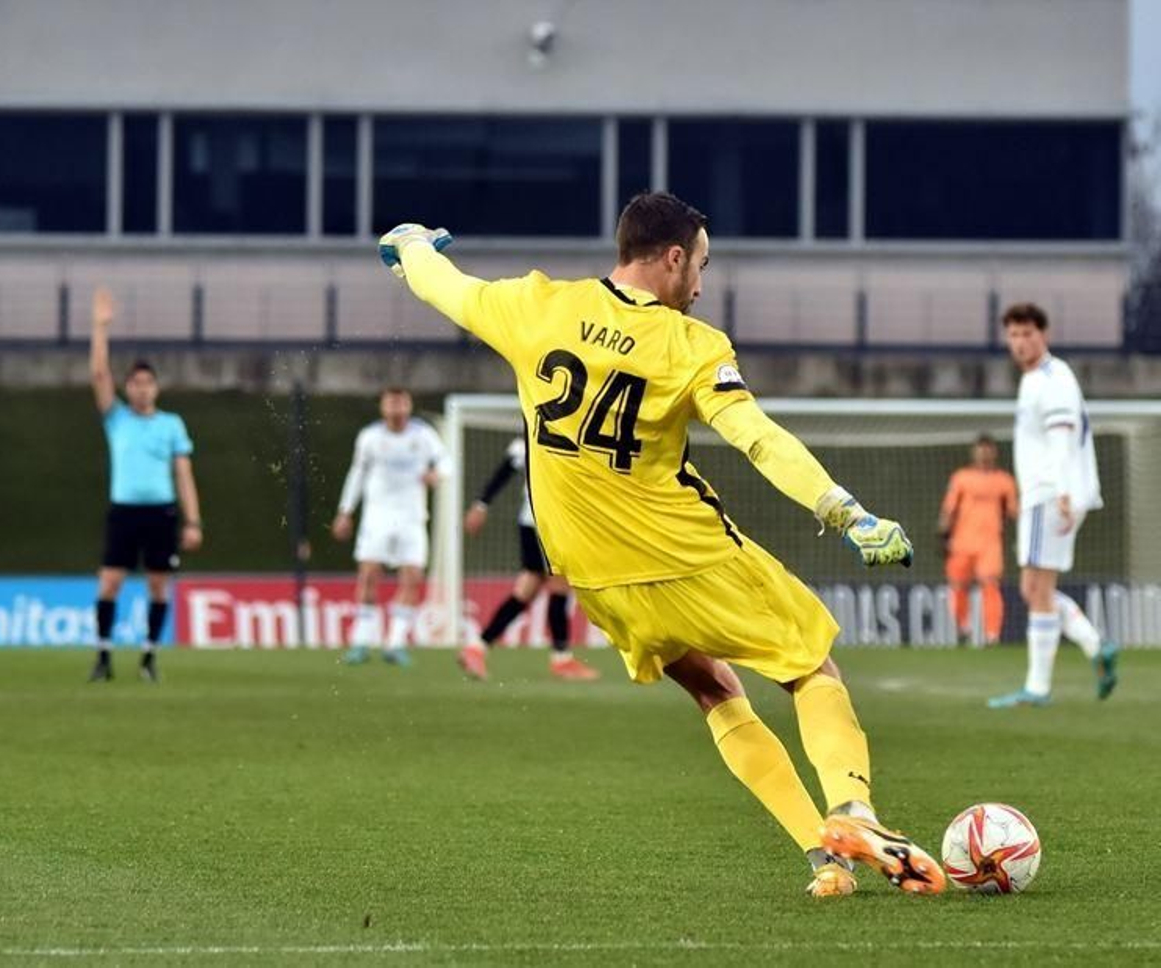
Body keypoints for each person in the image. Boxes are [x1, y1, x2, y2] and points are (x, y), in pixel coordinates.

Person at [380, 191, 945, 897]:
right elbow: (757, 438)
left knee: (713, 688)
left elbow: (446, 289)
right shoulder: (691, 345)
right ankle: (853, 809)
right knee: (811, 665)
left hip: (594, 578)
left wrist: (410, 246)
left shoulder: (537, 305)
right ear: (674, 257)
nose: (702, 286)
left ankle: (824, 861)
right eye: (701, 266)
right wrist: (845, 510)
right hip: (686, 552)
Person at [988, 303, 1118, 708]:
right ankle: (1097, 646)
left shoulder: (1053, 379)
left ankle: (1038, 688)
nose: (1020, 342)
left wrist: (1062, 491)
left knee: (1037, 590)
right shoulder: (1035, 379)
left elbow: (1062, 438)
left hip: (1050, 494)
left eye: (1027, 333)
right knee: (1034, 589)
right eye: (1013, 335)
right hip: (1045, 494)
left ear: (1044, 334)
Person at [89, 287, 202, 683]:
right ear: (128, 388)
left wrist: (193, 521)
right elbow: (99, 374)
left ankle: (149, 657)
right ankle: (103, 656)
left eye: (147, 383)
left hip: (161, 513)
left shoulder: (171, 424)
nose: (141, 388)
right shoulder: (116, 419)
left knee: (158, 586)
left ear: (155, 388)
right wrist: (100, 329)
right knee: (110, 582)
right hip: (124, 512)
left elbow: (183, 473)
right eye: (134, 383)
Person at [459, 437, 598, 682]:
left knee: (527, 590)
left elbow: (504, 472)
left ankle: (477, 647)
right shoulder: (539, 437)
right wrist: (481, 506)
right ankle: (561, 659)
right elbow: (505, 472)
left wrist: (482, 505)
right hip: (543, 524)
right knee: (559, 585)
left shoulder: (553, 435)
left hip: (539, 523)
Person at [331, 388, 447, 667]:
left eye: (401, 402)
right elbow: (356, 473)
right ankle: (361, 642)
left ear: (409, 405)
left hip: (412, 517)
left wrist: (437, 474)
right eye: (391, 403)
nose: (396, 408)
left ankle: (395, 643)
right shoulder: (370, 437)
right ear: (383, 407)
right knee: (369, 574)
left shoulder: (423, 435)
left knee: (413, 577)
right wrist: (345, 512)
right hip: (378, 516)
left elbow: (447, 462)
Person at [937, 435, 1016, 645]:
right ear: (974, 452)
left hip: (990, 543)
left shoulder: (1004, 481)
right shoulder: (961, 478)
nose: (984, 453)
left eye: (988, 449)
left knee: (990, 584)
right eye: (980, 449)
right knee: (958, 586)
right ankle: (963, 628)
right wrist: (943, 535)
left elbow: (1013, 512)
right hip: (961, 541)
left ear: (994, 452)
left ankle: (992, 635)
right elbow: (949, 509)